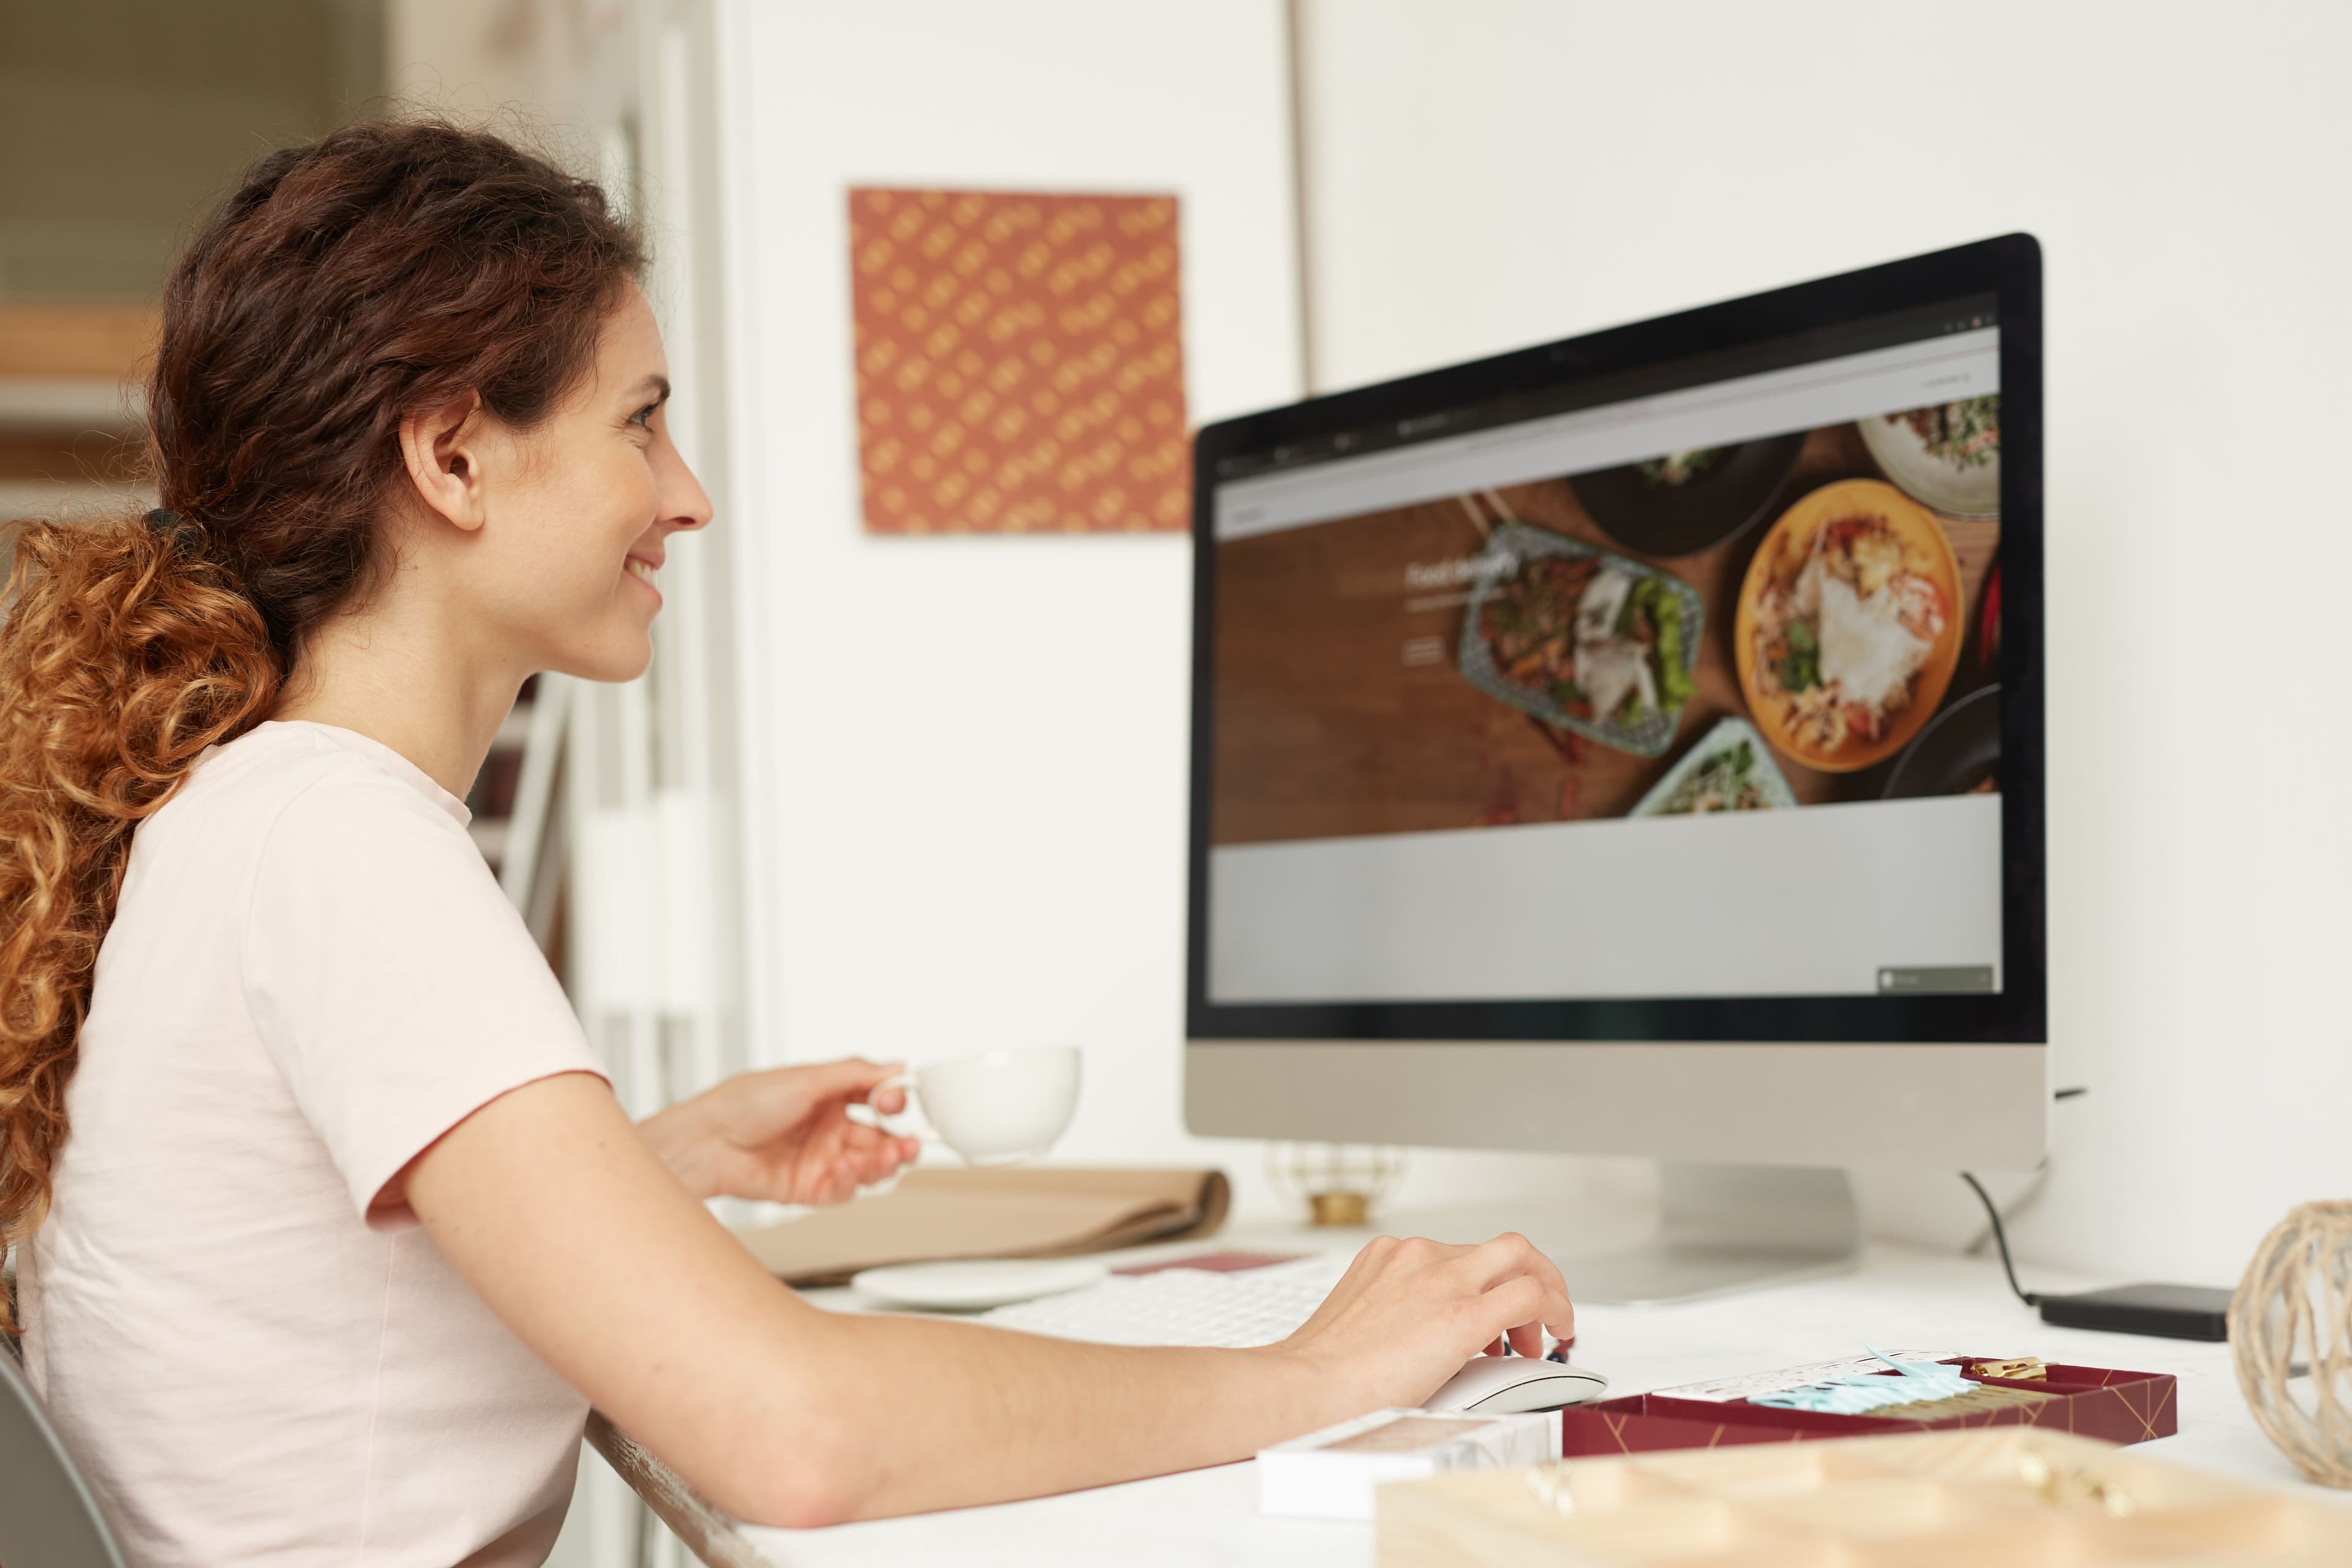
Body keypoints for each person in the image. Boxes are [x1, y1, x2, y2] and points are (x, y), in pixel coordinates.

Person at [0, 120, 1573, 1565]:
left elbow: (302, 1285)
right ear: (453, 457)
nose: (684, 497)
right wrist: (1316, 1369)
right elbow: (796, 1435)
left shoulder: (243, 815)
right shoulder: (339, 839)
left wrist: (651, 1165)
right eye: (642, 422)